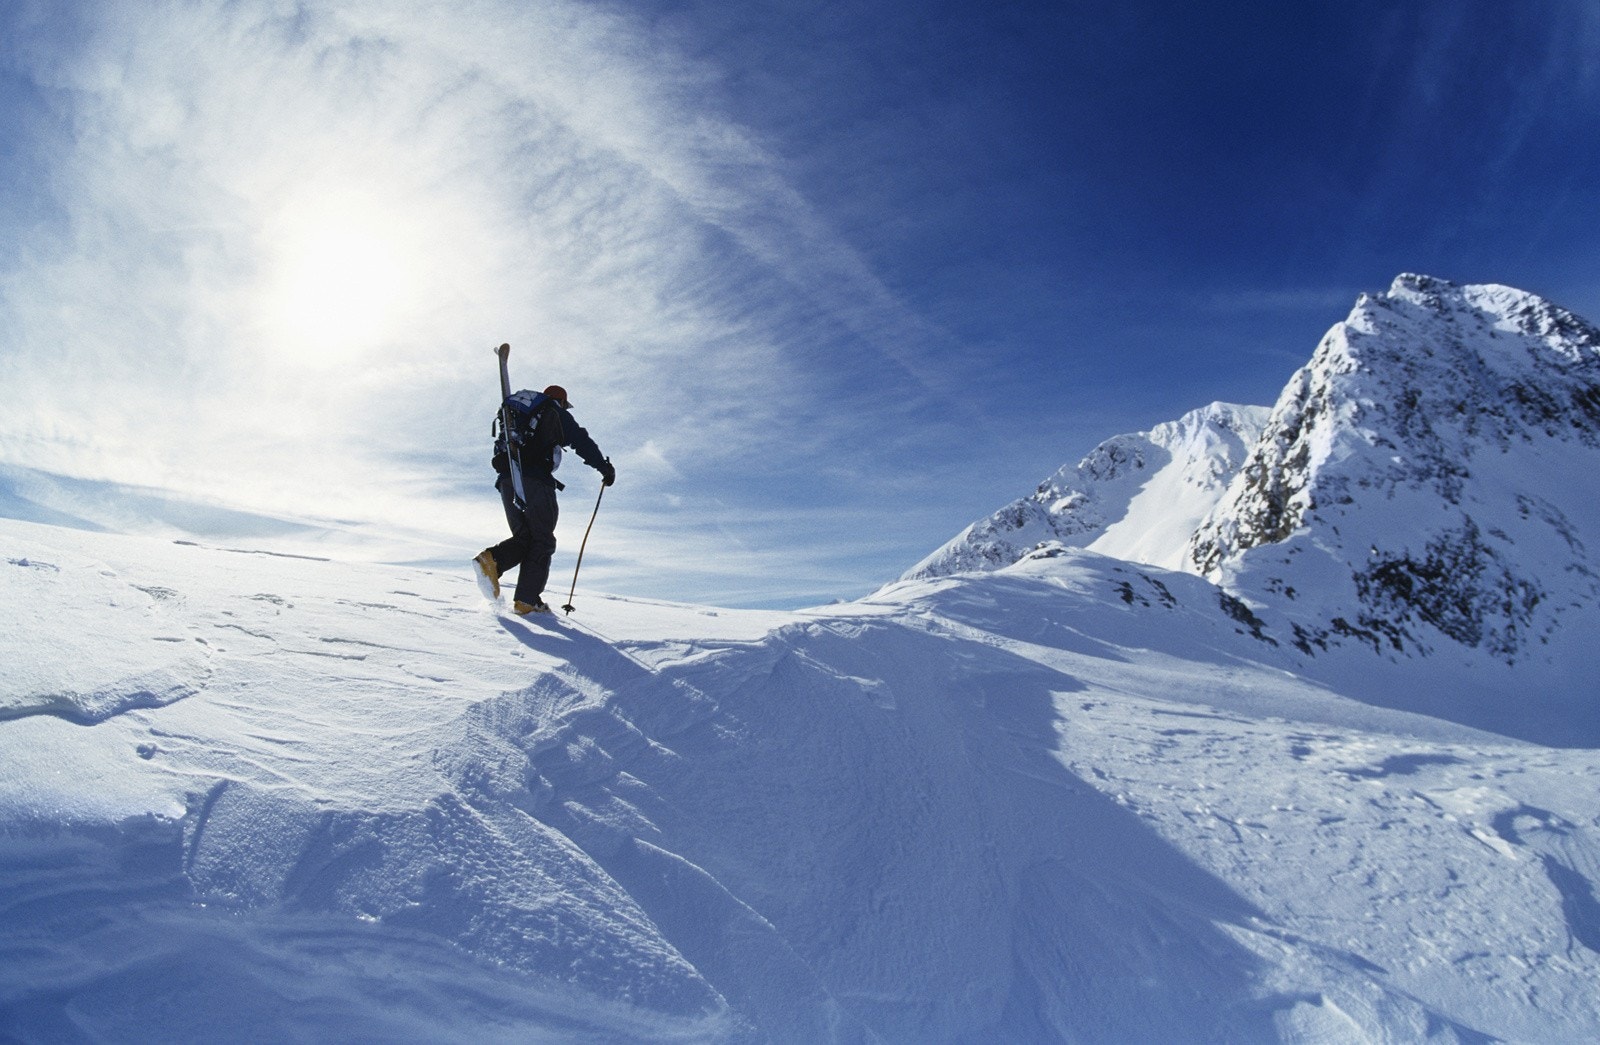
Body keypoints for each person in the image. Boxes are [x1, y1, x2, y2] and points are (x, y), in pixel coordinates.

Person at [474, 383, 615, 614]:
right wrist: (604, 467)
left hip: (507, 480)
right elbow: (581, 440)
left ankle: (491, 561)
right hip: (535, 481)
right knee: (543, 540)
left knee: (526, 538)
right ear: (560, 401)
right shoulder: (553, 411)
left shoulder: (518, 415)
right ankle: (526, 601)